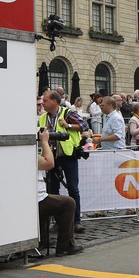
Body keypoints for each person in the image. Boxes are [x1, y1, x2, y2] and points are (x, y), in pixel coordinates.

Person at [39, 89, 85, 234]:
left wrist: (68, 125)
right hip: (52, 158)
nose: (42, 103)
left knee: (73, 188)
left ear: (54, 101)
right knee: (53, 189)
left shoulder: (67, 113)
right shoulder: (42, 117)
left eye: (45, 100)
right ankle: (59, 223)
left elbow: (83, 126)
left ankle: (76, 222)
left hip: (68, 156)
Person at [37, 128, 82, 257]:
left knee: (50, 200)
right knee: (69, 203)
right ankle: (65, 246)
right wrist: (44, 142)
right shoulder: (27, 154)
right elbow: (49, 163)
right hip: (36, 200)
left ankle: (42, 240)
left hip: (30, 199)